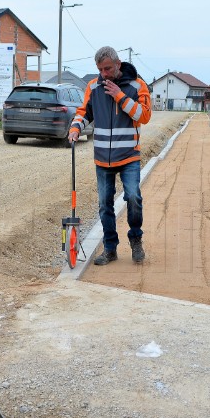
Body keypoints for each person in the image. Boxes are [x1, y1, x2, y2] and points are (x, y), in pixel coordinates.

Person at [68, 46, 152, 265]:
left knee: (133, 197)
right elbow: (84, 113)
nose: (104, 73)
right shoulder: (93, 87)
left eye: (107, 68)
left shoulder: (137, 86)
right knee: (105, 205)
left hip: (129, 156)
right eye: (100, 69)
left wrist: (120, 96)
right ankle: (110, 248)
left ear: (118, 64)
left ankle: (135, 240)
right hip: (103, 158)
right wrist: (76, 127)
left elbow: (144, 116)